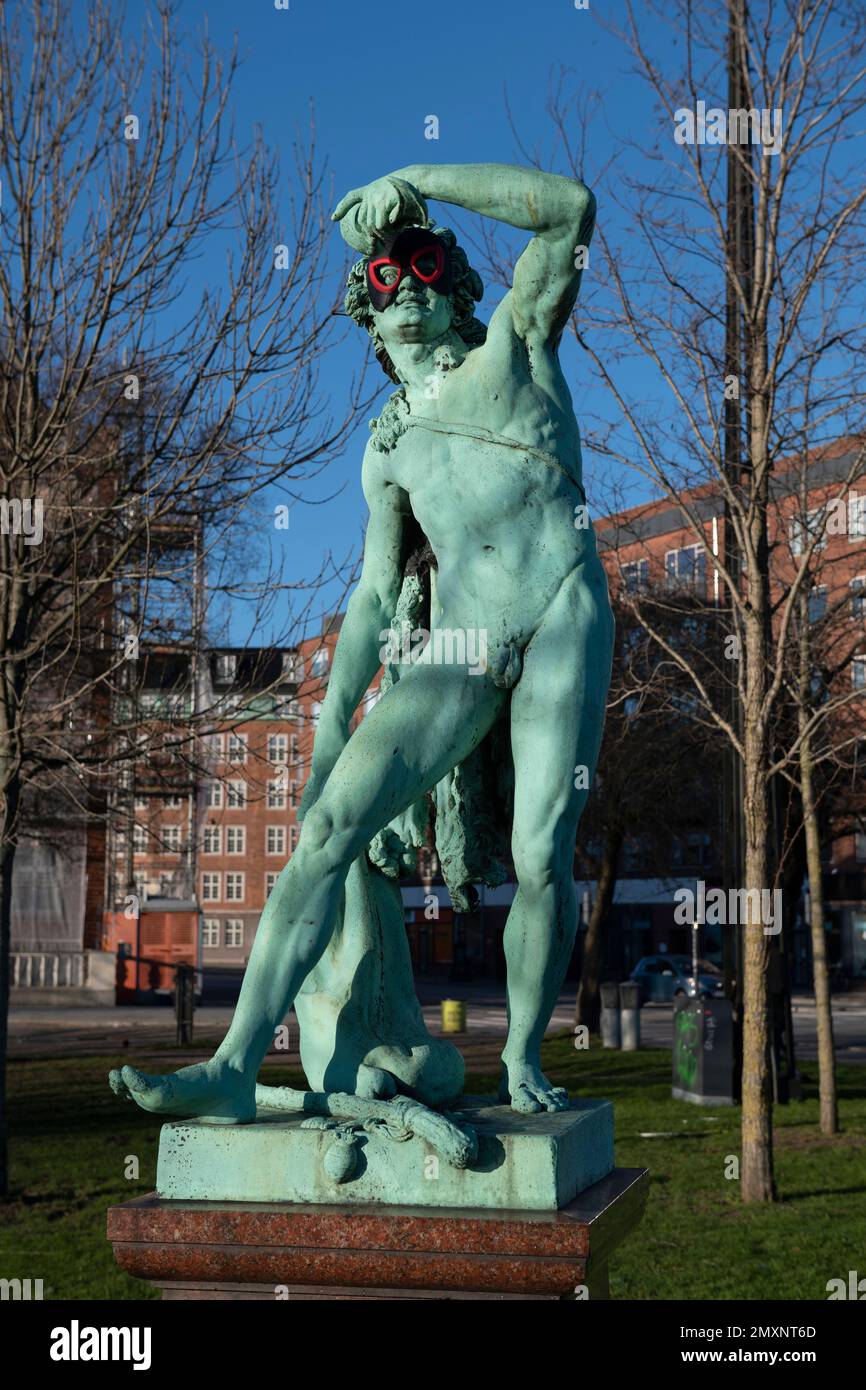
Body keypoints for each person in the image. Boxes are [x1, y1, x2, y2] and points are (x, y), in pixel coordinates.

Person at [110, 164, 614, 1121]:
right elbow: (377, 595)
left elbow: (571, 211)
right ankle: (233, 1064)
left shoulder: (516, 343)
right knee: (328, 830)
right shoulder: (385, 448)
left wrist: (420, 178)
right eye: (387, 284)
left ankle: (519, 1059)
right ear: (370, 325)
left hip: (561, 613)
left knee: (544, 851)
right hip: (462, 640)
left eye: (425, 270)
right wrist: (330, 730)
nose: (410, 292)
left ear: (458, 287)